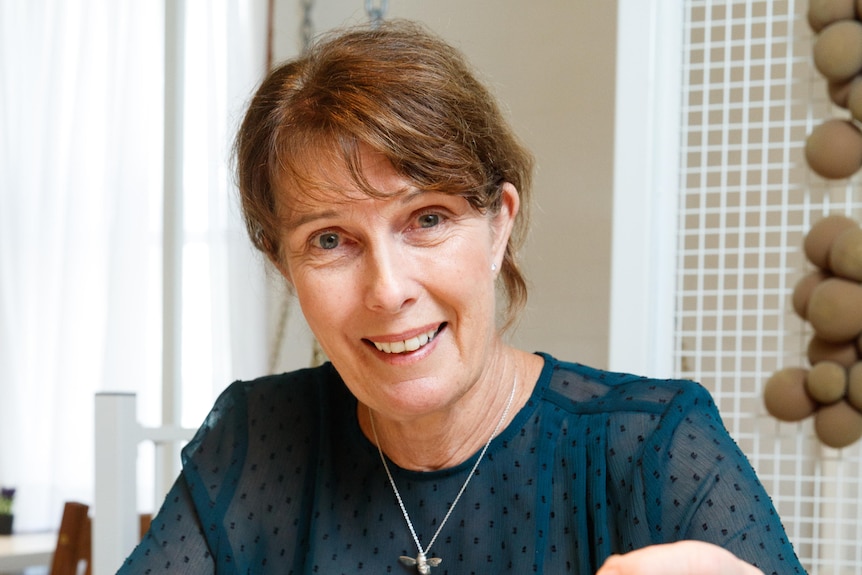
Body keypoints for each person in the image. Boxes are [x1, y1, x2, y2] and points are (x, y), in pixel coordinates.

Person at [118, 20, 805, 575]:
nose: (387, 290)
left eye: (429, 219)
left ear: (499, 222)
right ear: (283, 263)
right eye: (330, 240)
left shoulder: (654, 445)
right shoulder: (255, 442)